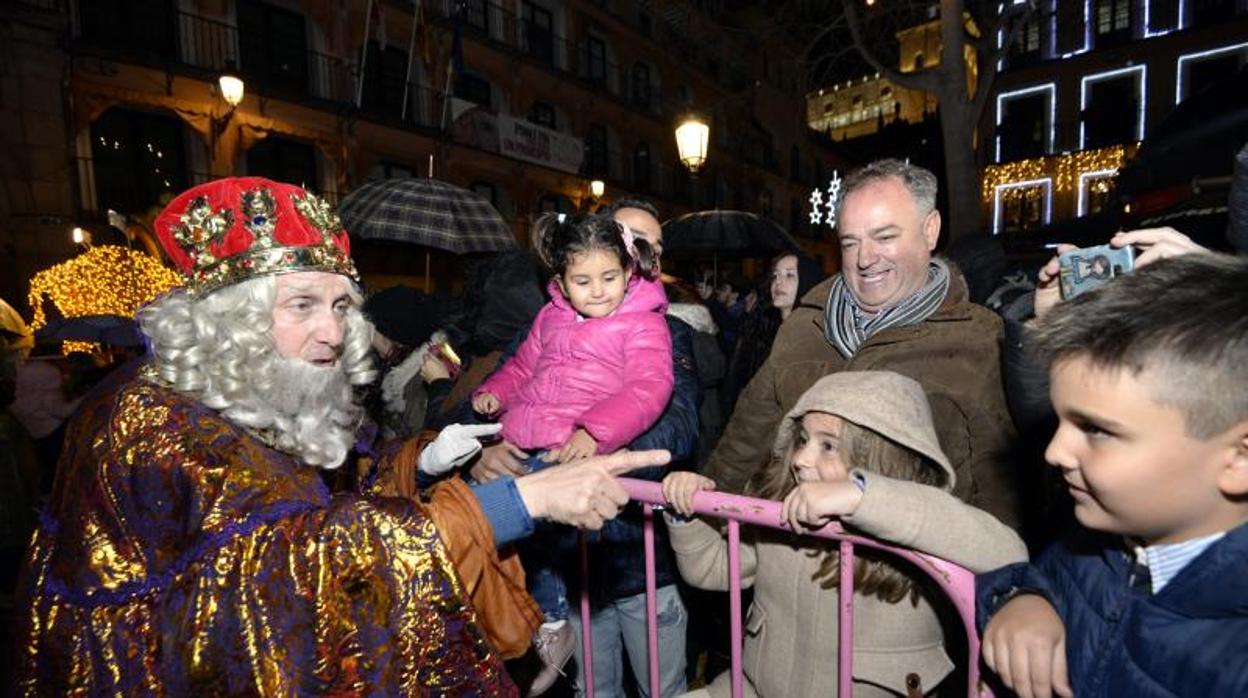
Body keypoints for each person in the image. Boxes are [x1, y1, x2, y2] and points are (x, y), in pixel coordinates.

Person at [11, 177, 670, 695]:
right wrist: (518, 505)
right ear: (229, 321)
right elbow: (288, 581)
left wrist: (421, 458)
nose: (331, 331)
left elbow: (327, 499)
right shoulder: (145, 423)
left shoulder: (261, 393)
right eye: (302, 305)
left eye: (339, 306)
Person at [977, 253, 1248, 698]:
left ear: (1238, 459)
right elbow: (1041, 575)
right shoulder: (1100, 549)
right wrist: (1022, 600)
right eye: (1062, 421)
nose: (1055, 451)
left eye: (1097, 430)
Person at [663, 371, 1026, 697]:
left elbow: (1006, 552)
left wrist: (864, 497)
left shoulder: (918, 522)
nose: (801, 459)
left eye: (828, 446)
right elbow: (712, 568)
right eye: (802, 440)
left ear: (882, 457)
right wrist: (684, 511)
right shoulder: (779, 513)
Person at [703, 159, 1020, 527]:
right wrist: (706, 521)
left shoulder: (978, 339)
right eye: (851, 242)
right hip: (794, 561)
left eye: (885, 237)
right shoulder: (805, 326)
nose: (865, 259)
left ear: (930, 230)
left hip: (905, 579)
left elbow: (1001, 494)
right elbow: (745, 441)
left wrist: (995, 581)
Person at [472, 211, 674, 694]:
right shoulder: (550, 317)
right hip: (521, 437)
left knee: (540, 530)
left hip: (566, 446)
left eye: (609, 277)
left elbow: (650, 388)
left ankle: (553, 622)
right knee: (483, 524)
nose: (599, 290)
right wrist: (494, 391)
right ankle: (511, 618)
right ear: (560, 282)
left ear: (629, 272)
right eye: (583, 280)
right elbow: (522, 368)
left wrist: (594, 430)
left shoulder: (644, 325)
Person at [722, 252, 822, 420]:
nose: (778, 282)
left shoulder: (813, 338)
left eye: (790, 275)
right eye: (776, 275)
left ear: (807, 281)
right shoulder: (765, 330)